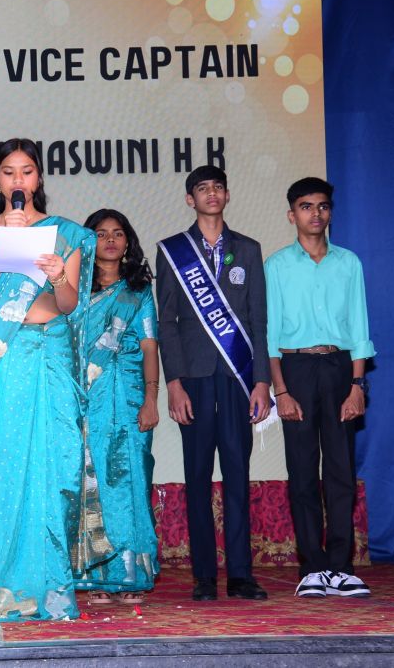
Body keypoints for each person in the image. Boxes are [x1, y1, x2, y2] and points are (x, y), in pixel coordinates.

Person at [0, 138, 97, 622]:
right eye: (8, 172)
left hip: (52, 353)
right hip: (5, 357)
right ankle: (7, 588)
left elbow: (68, 304)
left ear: (38, 178)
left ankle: (52, 588)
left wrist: (59, 275)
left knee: (55, 467)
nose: (18, 180)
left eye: (26, 171)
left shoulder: (68, 234)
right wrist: (3, 249)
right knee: (6, 468)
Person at [155, 165, 271, 602]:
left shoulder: (249, 249)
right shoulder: (173, 251)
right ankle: (204, 576)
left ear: (227, 195)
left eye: (218, 187)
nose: (211, 194)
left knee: (238, 474)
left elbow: (259, 322)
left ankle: (241, 575)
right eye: (202, 189)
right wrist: (174, 383)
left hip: (239, 379)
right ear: (191, 199)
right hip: (194, 380)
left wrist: (261, 381)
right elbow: (167, 322)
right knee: (198, 477)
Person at [265, 177, 375, 598]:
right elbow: (270, 335)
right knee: (302, 470)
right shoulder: (277, 265)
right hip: (295, 369)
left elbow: (360, 327)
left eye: (323, 206)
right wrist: (281, 391)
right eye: (306, 206)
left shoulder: (349, 263)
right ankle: (312, 567)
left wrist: (357, 384)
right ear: (291, 214)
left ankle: (342, 567)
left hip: (339, 367)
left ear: (331, 212)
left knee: (341, 471)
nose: (316, 213)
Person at [79, 209, 160, 605]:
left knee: (130, 480)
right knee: (91, 480)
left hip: (129, 399)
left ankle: (131, 575)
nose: (110, 240)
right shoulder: (76, 291)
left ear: (128, 241)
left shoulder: (138, 291)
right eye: (101, 233)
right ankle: (96, 574)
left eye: (117, 233)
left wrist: (151, 399)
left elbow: (150, 347)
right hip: (88, 399)